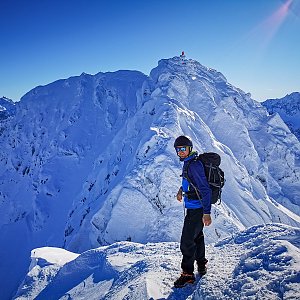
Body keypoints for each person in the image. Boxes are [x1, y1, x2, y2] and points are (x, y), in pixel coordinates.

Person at [173, 135, 212, 288]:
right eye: (178, 150)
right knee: (197, 237)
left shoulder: (194, 165)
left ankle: (187, 274)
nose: (181, 152)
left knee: (187, 242)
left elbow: (205, 189)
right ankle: (201, 265)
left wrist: (207, 212)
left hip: (197, 209)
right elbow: (191, 182)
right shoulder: (188, 163)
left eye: (183, 149)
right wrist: (181, 190)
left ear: (190, 148)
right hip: (193, 206)